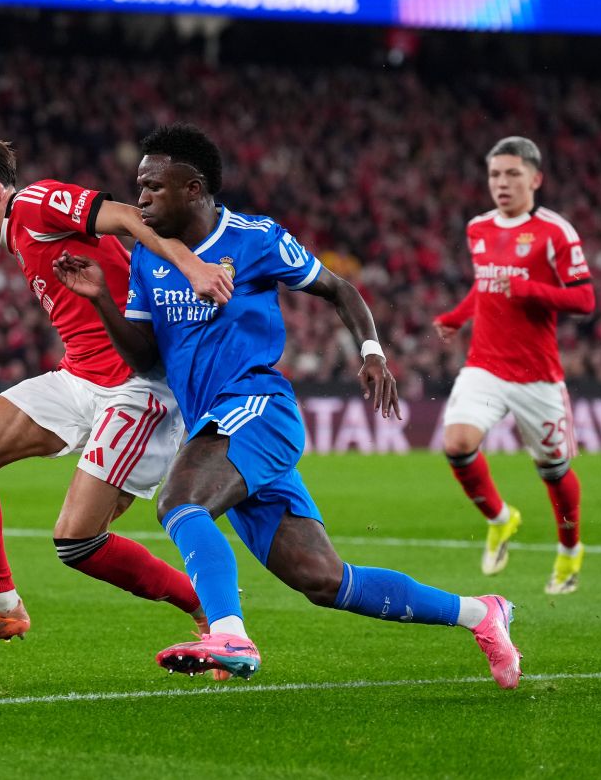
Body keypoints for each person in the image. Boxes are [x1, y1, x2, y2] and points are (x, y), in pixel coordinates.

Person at [55, 123, 520, 689]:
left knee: (180, 501)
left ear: (193, 189)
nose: (141, 198)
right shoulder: (149, 258)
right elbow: (146, 360)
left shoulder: (255, 238)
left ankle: (228, 634)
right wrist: (101, 300)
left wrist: (372, 352)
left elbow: (339, 289)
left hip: (257, 408)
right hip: (214, 426)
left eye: (153, 186)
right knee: (324, 580)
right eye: (140, 185)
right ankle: (482, 613)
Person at [0, 132, 235, 657]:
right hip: (79, 377)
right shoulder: (18, 231)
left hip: (136, 387)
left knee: (78, 542)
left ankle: (205, 605)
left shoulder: (36, 203)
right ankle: (0, 607)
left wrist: (194, 267)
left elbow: (129, 218)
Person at [433, 137, 595, 594]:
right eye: (494, 175)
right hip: (484, 365)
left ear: (535, 179)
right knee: (457, 443)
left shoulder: (556, 232)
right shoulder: (478, 228)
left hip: (537, 376)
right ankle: (500, 518)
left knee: (554, 472)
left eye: (512, 174)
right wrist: (458, 317)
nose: (501, 183)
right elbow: (486, 286)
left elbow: (585, 298)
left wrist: (530, 291)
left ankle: (569, 549)